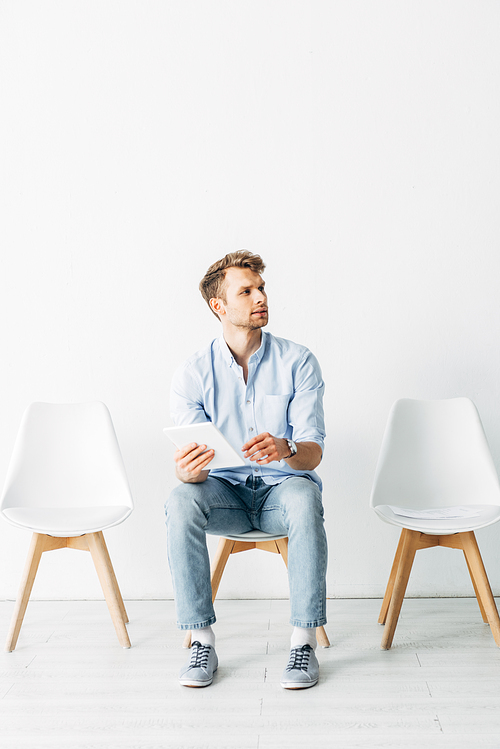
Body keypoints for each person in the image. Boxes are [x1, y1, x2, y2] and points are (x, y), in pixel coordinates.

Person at [165, 250, 327, 689]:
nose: (260, 297)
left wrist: (285, 446)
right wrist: (189, 473)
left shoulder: (299, 361)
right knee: (180, 500)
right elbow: (192, 463)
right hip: (226, 495)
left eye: (261, 288)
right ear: (220, 306)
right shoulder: (193, 373)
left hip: (282, 491)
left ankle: (302, 643)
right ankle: (201, 640)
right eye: (247, 290)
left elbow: (313, 453)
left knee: (306, 495)